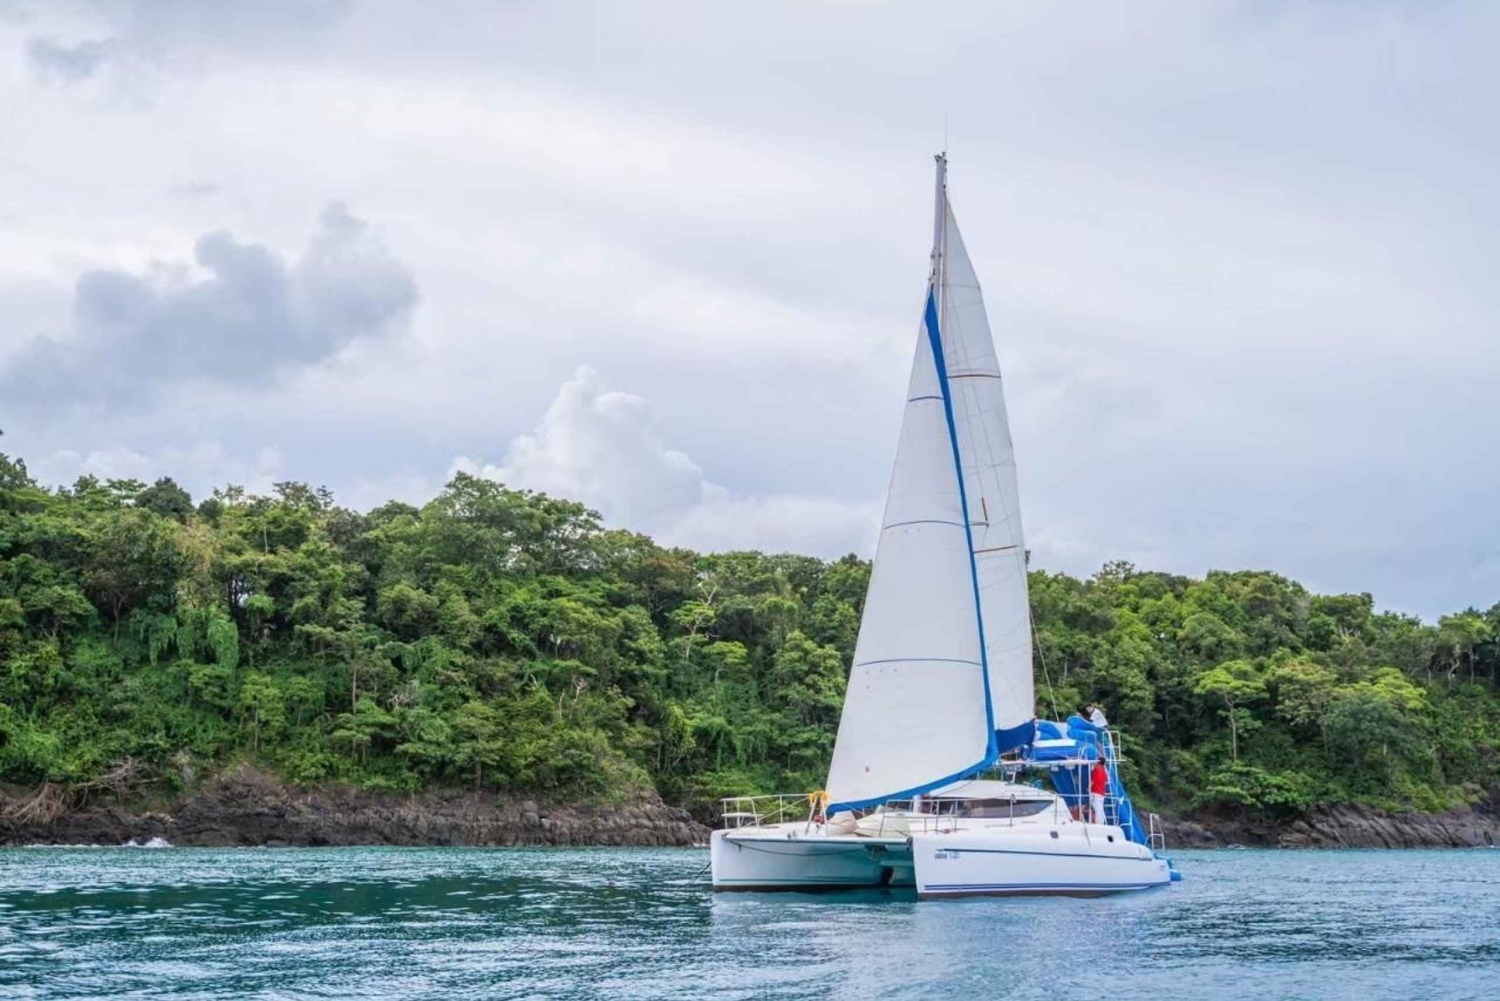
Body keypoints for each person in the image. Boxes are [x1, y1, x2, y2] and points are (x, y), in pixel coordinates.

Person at [1089, 752, 1109, 825]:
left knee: (1097, 809)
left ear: (1098, 762)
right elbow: (1106, 781)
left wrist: (1088, 788)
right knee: (1100, 809)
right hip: (1101, 793)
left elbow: (1092, 781)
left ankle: (1098, 824)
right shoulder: (1104, 770)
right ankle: (1102, 822)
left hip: (1095, 792)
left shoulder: (1096, 769)